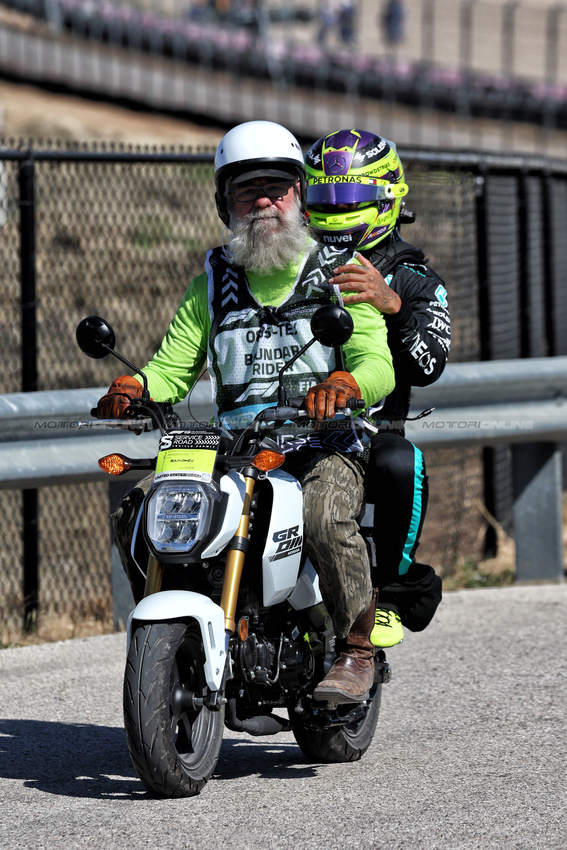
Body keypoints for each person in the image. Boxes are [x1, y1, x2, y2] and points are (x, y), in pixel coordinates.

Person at [97, 120, 395, 705]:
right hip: (233, 450)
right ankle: (182, 640)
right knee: (139, 512)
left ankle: (358, 650)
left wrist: (345, 381)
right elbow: (173, 368)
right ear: (223, 202)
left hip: (324, 442)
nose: (263, 200)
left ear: (300, 194)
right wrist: (135, 384)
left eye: (276, 187)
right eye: (245, 189)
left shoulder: (341, 272)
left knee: (323, 512)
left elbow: (376, 362)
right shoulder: (212, 281)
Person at [304, 127, 448, 645]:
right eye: (323, 197)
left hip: (369, 430)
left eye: (349, 198)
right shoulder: (289, 262)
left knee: (399, 459)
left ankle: (390, 589)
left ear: (387, 196)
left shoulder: (415, 277)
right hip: (287, 425)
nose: (335, 210)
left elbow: (430, 365)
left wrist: (394, 306)